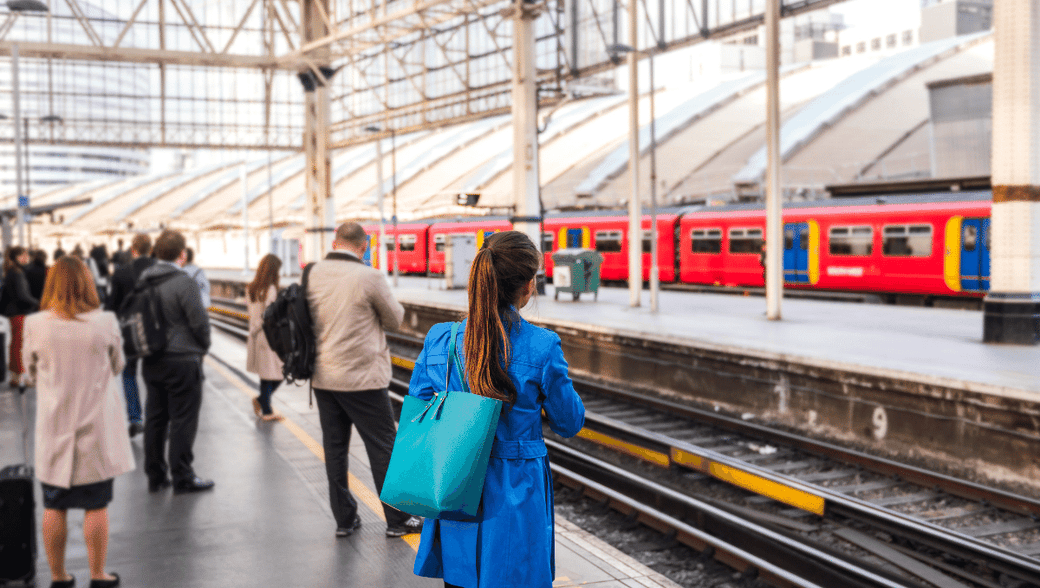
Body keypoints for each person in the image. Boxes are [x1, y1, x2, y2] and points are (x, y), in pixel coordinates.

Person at [409, 231, 585, 588]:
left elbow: (419, 404)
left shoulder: (441, 338)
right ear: (528, 286)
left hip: (455, 477)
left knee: (460, 578)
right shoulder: (542, 346)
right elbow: (569, 422)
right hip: (516, 486)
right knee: (513, 573)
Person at [23, 255, 133, 588]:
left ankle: (58, 577)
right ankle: (98, 575)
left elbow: (28, 374)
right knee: (96, 505)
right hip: (95, 430)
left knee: (53, 505)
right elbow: (118, 366)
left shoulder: (35, 324)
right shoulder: (106, 322)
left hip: (54, 429)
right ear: (88, 283)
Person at [307, 222, 421, 538]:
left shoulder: (313, 273)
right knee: (383, 447)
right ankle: (399, 521)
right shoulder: (367, 277)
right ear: (363, 245)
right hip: (363, 378)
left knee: (334, 449)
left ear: (335, 241)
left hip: (324, 375)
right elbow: (395, 319)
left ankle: (345, 520)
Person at [138, 229, 213, 495]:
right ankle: (183, 476)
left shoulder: (144, 280)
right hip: (182, 360)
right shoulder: (184, 282)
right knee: (183, 419)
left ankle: (155, 475)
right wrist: (203, 346)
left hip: (151, 360)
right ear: (182, 254)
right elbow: (199, 323)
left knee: (155, 418)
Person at [106, 233, 157, 438]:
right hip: (155, 331)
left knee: (129, 375)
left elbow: (111, 306)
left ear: (133, 251)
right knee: (155, 376)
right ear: (150, 249)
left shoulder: (121, 273)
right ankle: (157, 419)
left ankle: (135, 419)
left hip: (128, 332)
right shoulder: (160, 270)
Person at [246, 253, 284, 421]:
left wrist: (254, 329)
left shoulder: (251, 288)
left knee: (266, 373)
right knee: (278, 372)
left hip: (255, 335)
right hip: (267, 335)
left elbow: (252, 313)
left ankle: (264, 404)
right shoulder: (271, 289)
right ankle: (265, 407)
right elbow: (269, 315)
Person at [0, 246, 40, 393]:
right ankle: (22, 378)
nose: (27, 258)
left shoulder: (11, 272)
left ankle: (15, 378)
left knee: (15, 345)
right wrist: (38, 302)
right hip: (20, 312)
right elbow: (22, 296)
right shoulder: (17, 274)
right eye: (24, 255)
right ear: (18, 257)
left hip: (13, 313)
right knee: (20, 346)